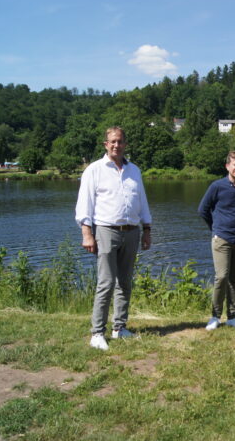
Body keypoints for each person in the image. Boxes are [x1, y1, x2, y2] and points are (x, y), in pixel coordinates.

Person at [75, 126, 152, 351]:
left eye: (120, 141)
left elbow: (143, 201)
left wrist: (147, 229)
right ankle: (97, 333)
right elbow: (84, 204)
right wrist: (87, 234)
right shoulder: (94, 170)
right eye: (112, 142)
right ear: (105, 145)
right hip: (106, 230)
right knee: (106, 282)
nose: (117, 145)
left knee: (125, 282)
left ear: (125, 144)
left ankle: (119, 328)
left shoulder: (134, 170)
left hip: (132, 231)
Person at [198, 151, 235, 331]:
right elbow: (203, 210)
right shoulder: (217, 186)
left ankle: (233, 317)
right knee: (221, 277)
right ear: (227, 166)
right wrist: (216, 229)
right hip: (222, 238)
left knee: (234, 279)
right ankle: (214, 316)